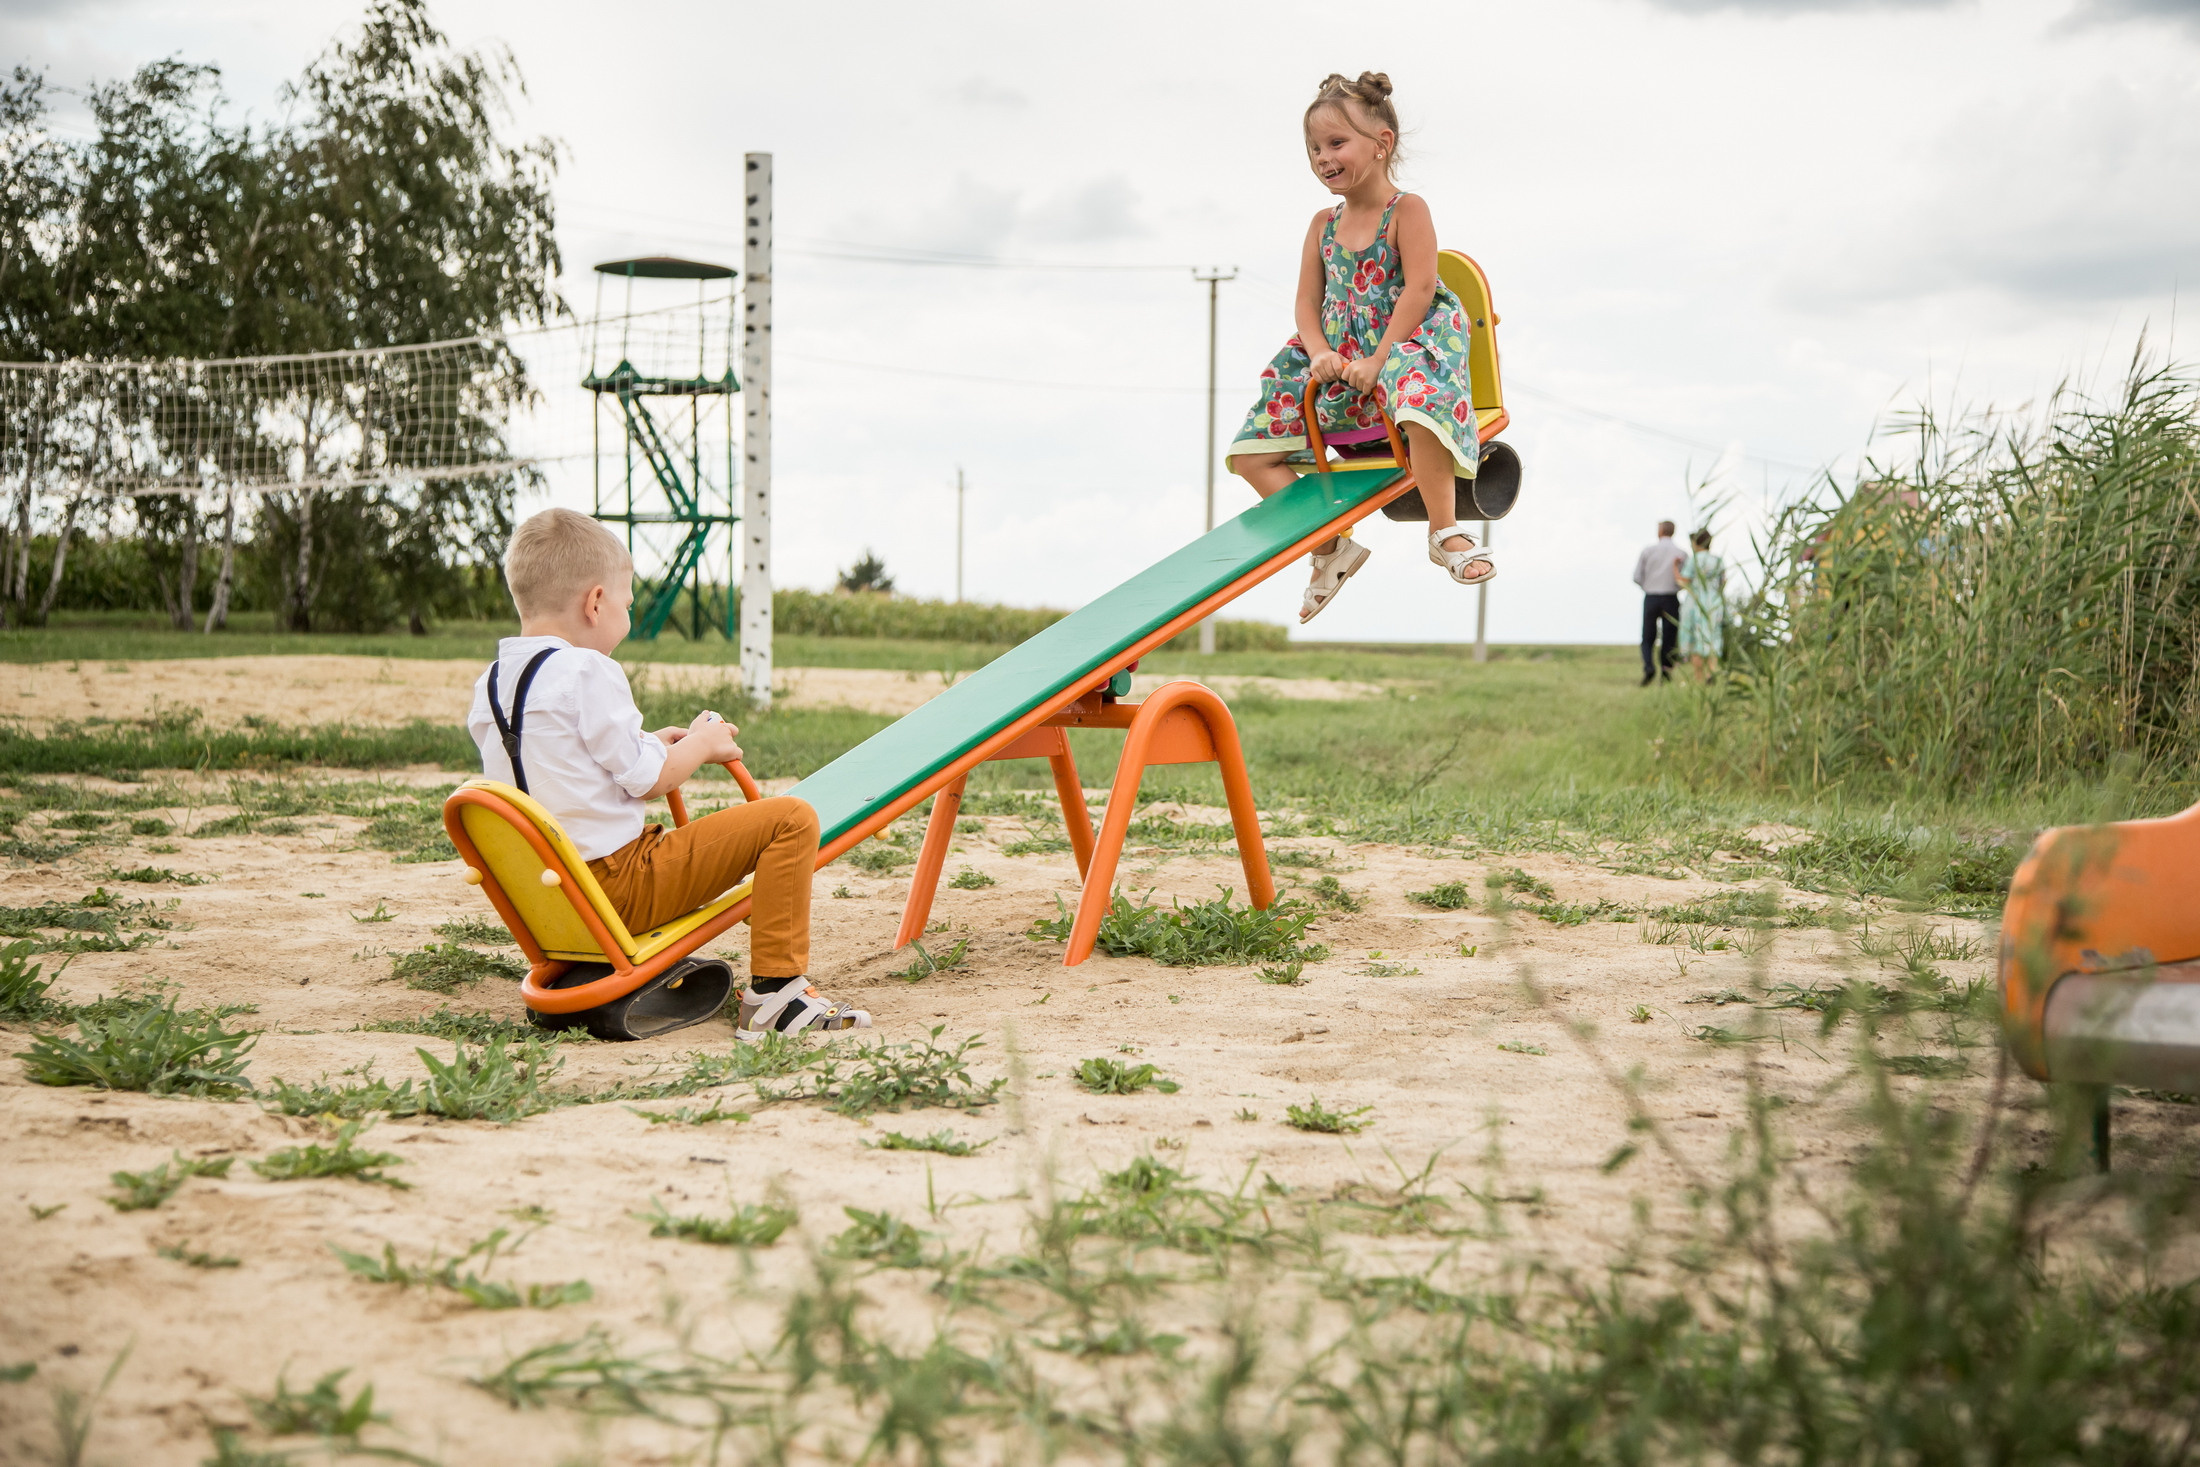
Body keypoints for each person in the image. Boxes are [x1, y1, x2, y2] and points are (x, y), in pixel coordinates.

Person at [468, 508, 870, 1037]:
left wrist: (650, 742)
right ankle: (778, 995)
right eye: (627, 605)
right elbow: (646, 781)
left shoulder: (493, 683)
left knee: (754, 818)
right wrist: (702, 745)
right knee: (789, 820)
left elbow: (559, 767)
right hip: (617, 887)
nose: (627, 619)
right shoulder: (589, 669)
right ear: (595, 602)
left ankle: (776, 994)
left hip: (550, 901)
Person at [1224, 71, 1493, 623]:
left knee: (1419, 394)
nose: (1323, 157)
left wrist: (1381, 358)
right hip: (1341, 365)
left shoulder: (1407, 210)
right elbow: (1306, 303)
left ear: (1382, 144)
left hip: (1403, 342)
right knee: (1249, 455)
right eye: (1314, 148)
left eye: (1336, 143)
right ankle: (1330, 548)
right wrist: (1320, 351)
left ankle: (1444, 532)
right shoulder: (1321, 224)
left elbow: (1419, 289)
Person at [1633, 520, 1683, 684]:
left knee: (1647, 637)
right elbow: (1684, 580)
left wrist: (1648, 586)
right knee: (1669, 638)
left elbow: (1637, 577)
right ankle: (1666, 673)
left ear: (1660, 531)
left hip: (1651, 596)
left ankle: (1649, 666)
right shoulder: (1681, 554)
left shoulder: (1648, 551)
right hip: (1671, 597)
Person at [1676, 528, 1727, 682]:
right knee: (1713, 637)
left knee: (1695, 638)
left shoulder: (1694, 560)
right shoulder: (1718, 560)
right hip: (1714, 602)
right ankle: (1711, 673)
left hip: (1696, 602)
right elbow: (1723, 582)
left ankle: (1699, 677)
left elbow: (1683, 582)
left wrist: (1674, 569)